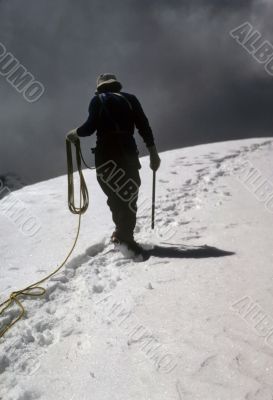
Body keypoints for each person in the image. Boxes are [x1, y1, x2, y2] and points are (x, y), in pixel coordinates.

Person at [66, 73, 161, 254]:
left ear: (100, 86)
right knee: (130, 193)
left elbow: (89, 127)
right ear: (117, 85)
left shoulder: (97, 100)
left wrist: (74, 133)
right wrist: (153, 153)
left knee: (113, 194)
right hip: (128, 153)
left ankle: (122, 232)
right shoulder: (131, 99)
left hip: (105, 155)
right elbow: (144, 126)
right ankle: (125, 233)